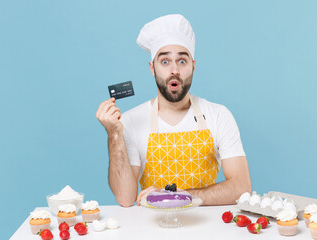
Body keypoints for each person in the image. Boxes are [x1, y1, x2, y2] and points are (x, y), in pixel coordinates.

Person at [96, 14, 251, 207]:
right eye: (165, 61)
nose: (174, 70)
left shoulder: (219, 115)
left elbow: (241, 187)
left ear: (193, 66)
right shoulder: (131, 121)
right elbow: (125, 198)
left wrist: (179, 196)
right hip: (152, 229)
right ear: (152, 68)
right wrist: (114, 134)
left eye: (182, 61)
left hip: (208, 228)